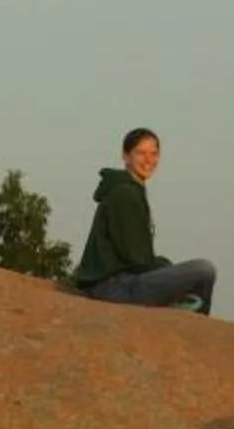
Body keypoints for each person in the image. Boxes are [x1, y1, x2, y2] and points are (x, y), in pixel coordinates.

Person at [73, 128, 218, 313]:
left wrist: (163, 266)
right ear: (126, 156)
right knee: (204, 270)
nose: (148, 160)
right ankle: (196, 324)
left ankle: (188, 319)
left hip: (116, 284)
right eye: (141, 153)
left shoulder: (129, 190)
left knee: (173, 268)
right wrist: (163, 268)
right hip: (112, 288)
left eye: (153, 154)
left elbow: (139, 256)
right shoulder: (125, 193)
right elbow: (137, 259)